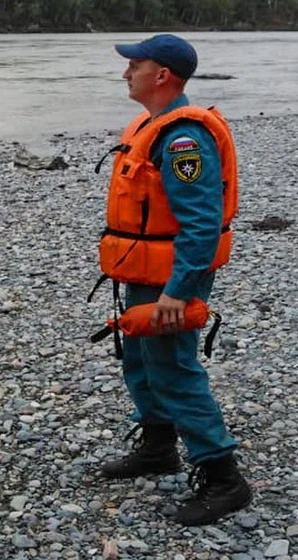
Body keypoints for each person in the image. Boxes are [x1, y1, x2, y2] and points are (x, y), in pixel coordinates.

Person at [94, 33, 251, 526]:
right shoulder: (150, 124)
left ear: (162, 75)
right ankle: (159, 447)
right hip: (143, 272)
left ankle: (224, 477)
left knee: (175, 370)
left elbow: (202, 225)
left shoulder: (184, 139)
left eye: (134, 65)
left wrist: (177, 292)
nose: (126, 73)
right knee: (140, 361)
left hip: (170, 279)